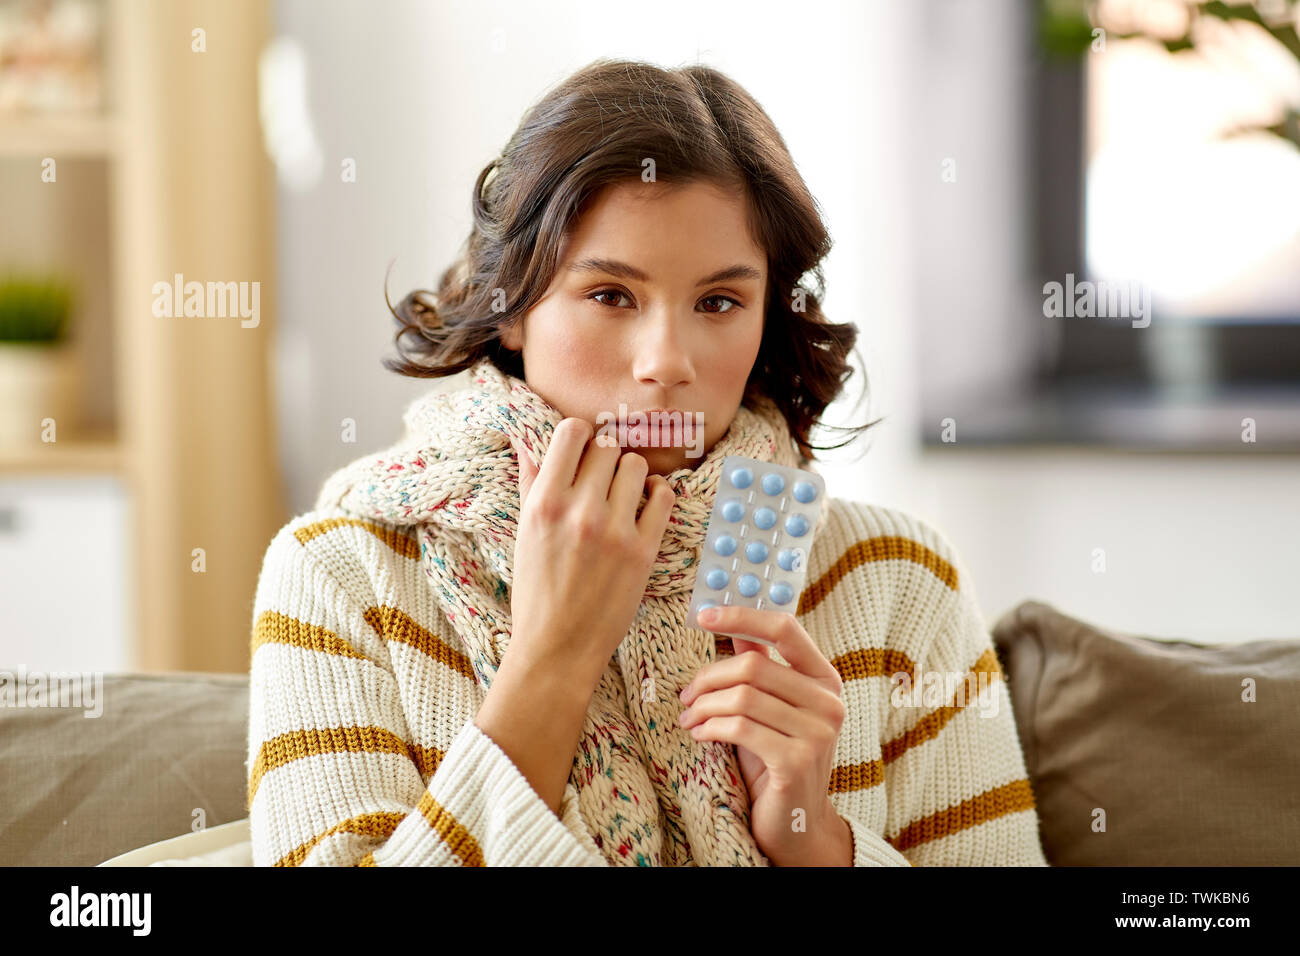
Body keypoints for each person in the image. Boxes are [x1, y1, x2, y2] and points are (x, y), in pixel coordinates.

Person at [246, 58, 1049, 867]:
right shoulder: (341, 574)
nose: (666, 361)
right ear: (514, 308)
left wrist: (813, 843)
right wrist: (549, 669)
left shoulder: (901, 581)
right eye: (611, 295)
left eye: (719, 303)